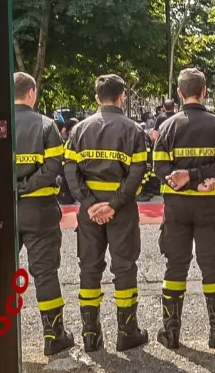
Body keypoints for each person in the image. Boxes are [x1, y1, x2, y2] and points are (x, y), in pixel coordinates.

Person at [152, 68, 215, 349]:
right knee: (212, 264)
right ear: (204, 91)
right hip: (208, 205)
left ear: (179, 93)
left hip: (176, 206)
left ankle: (171, 332)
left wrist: (185, 178)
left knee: (175, 265)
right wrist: (203, 178)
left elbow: (159, 167)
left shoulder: (167, 127)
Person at [63, 75, 150, 352]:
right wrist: (114, 203)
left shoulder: (78, 130)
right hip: (121, 211)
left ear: (97, 98)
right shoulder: (134, 130)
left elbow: (70, 172)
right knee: (124, 267)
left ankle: (91, 336)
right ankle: (127, 333)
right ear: (122, 96)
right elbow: (138, 173)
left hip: (89, 212)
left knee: (89, 268)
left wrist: (90, 204)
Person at [13, 72, 74, 356]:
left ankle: (4, 339)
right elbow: (53, 168)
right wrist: (26, 186)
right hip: (39, 210)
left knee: (2, 273)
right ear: (31, 92)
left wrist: (13, 188)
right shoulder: (46, 126)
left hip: (5, 210)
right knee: (45, 273)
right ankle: (53, 335)